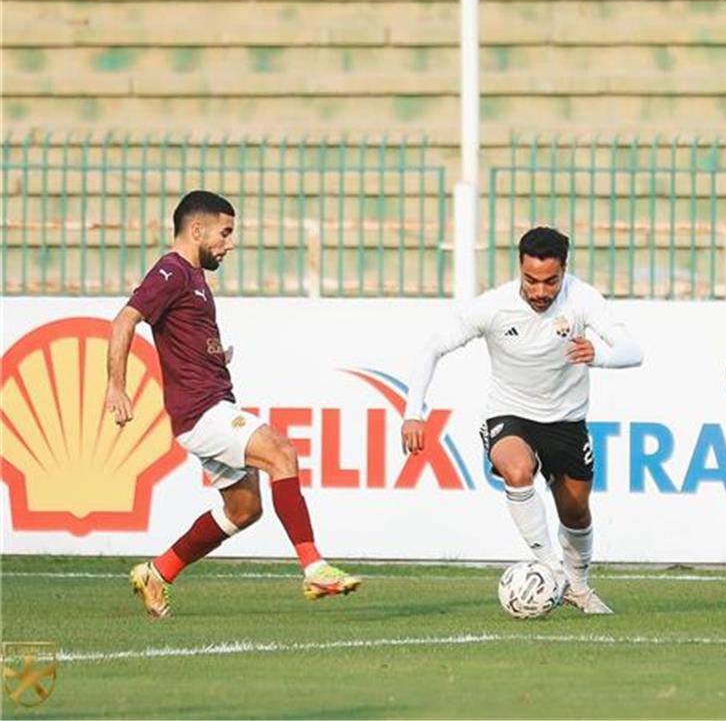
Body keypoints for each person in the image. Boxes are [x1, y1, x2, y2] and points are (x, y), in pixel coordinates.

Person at [106, 190, 361, 618]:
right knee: (282, 452)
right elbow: (124, 320)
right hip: (202, 412)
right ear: (197, 229)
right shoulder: (170, 272)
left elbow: (178, 337)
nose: (230, 243)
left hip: (208, 406)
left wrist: (212, 356)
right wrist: (116, 386)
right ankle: (314, 567)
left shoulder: (194, 279)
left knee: (244, 509)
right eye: (224, 233)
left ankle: (158, 572)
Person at [401, 227, 642, 614]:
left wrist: (597, 354)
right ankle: (550, 570)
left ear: (564, 271)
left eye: (550, 282)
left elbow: (634, 351)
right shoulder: (493, 307)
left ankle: (578, 588)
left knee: (576, 513)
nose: (540, 291)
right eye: (531, 280)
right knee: (517, 470)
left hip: (566, 421)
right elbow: (432, 348)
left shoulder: (582, 298)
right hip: (510, 414)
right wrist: (413, 414)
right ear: (520, 269)